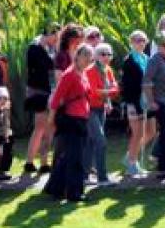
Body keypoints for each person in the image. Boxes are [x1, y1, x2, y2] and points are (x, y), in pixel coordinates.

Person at [44, 45, 93, 202]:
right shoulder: (69, 74)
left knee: (66, 157)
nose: (87, 60)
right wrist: (51, 119)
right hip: (71, 120)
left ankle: (55, 189)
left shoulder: (83, 74)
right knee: (75, 158)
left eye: (89, 57)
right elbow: (57, 98)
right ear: (77, 56)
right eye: (85, 56)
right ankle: (74, 193)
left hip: (81, 118)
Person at [24, 23, 60, 174]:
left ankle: (45, 162)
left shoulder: (51, 48)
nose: (57, 40)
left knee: (51, 127)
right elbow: (49, 65)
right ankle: (29, 162)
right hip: (39, 92)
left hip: (52, 91)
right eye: (55, 36)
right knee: (39, 127)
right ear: (49, 34)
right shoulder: (35, 47)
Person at [143, 31, 165, 179]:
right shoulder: (155, 60)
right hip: (161, 102)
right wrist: (151, 101)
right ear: (159, 46)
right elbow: (146, 81)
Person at [84, 43, 119, 186]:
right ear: (96, 56)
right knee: (100, 141)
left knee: (91, 142)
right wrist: (108, 92)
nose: (106, 57)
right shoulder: (90, 70)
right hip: (90, 108)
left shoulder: (108, 70)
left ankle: (84, 176)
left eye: (109, 54)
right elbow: (93, 91)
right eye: (102, 54)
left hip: (101, 108)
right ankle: (102, 177)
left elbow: (116, 89)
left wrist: (107, 97)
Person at [121, 31, 150, 176]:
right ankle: (131, 164)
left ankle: (131, 158)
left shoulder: (146, 59)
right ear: (131, 42)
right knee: (136, 133)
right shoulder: (129, 61)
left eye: (143, 40)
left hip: (144, 101)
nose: (141, 43)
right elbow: (126, 86)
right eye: (138, 40)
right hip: (133, 102)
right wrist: (130, 105)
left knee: (143, 132)